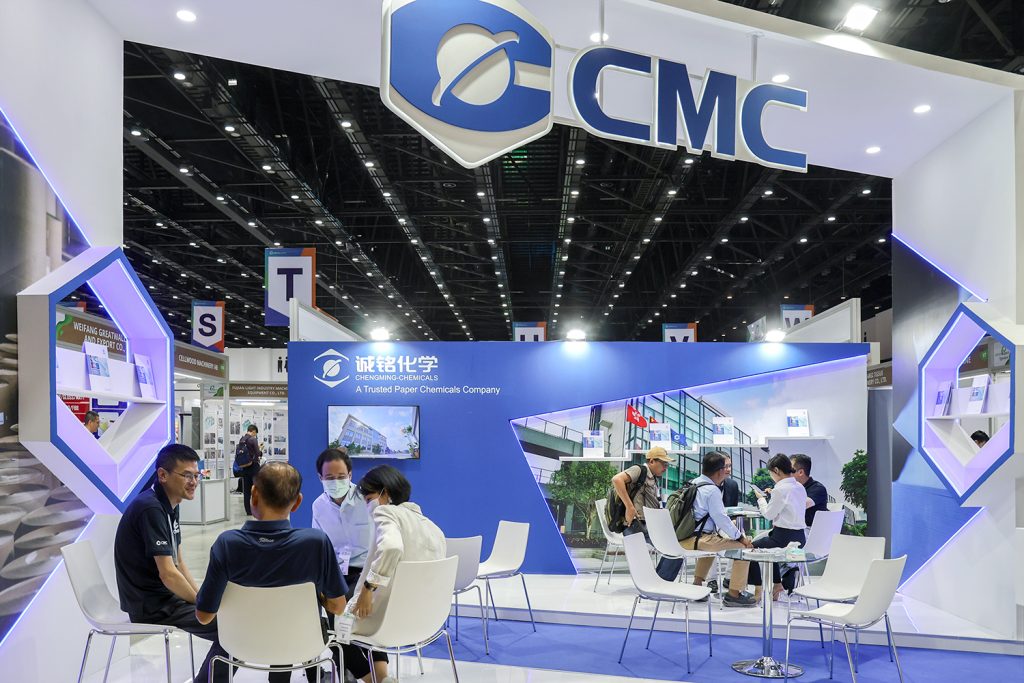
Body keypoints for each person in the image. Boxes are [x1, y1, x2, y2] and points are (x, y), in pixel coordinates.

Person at [195, 461, 347, 682]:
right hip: (299, 643)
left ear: (253, 494)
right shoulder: (316, 543)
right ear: (298, 502)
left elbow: (204, 616)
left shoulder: (227, 544)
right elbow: (338, 606)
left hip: (240, 645)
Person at [114, 444, 228, 683]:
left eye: (196, 475)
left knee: (230, 623)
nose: (193, 482)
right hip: (152, 605)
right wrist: (203, 605)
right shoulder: (150, 508)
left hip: (165, 599)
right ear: (163, 475)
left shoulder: (169, 505)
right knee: (232, 629)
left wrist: (202, 600)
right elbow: (168, 574)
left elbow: (179, 562)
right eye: (187, 475)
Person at [346, 465, 446, 683]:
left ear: (386, 493)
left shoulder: (386, 512)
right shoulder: (433, 528)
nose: (368, 506)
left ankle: (375, 681)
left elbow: (391, 547)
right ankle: (383, 679)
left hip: (387, 621)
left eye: (369, 498)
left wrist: (368, 589)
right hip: (427, 622)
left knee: (334, 629)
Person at [311, 447, 382, 681]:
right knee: (332, 621)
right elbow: (319, 544)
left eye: (341, 476)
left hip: (365, 571)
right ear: (320, 478)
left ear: (350, 475)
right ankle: (370, 676)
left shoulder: (367, 500)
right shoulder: (318, 506)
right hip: (334, 573)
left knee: (360, 617)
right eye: (329, 477)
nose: (336, 482)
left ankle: (376, 676)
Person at [663, 451, 756, 607]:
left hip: (681, 538)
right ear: (719, 471)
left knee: (713, 542)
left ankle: (697, 585)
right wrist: (741, 538)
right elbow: (721, 518)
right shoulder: (712, 490)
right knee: (743, 549)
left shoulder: (693, 483)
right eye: (726, 467)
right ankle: (734, 594)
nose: (728, 470)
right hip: (697, 540)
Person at [748, 454, 808, 602]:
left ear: (776, 470)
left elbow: (768, 515)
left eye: (770, 473)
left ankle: (758, 589)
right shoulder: (800, 487)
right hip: (800, 538)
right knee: (769, 548)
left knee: (750, 549)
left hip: (782, 539)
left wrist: (761, 499)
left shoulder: (779, 490)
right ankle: (777, 584)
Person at [610, 446, 672, 538]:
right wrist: (630, 507)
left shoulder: (654, 478)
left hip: (648, 524)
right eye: (664, 464)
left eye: (667, 465)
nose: (665, 468)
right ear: (652, 461)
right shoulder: (639, 470)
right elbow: (617, 479)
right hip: (636, 524)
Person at [791, 454, 828, 527]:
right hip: (796, 528)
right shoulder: (794, 488)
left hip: (811, 529)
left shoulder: (818, 488)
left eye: (789, 470)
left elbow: (798, 505)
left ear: (800, 472)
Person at [236, 425, 263, 516]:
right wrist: (260, 450)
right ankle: (257, 509)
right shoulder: (252, 439)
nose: (255, 435)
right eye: (255, 433)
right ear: (253, 431)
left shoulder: (242, 439)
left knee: (246, 491)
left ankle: (248, 511)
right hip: (254, 466)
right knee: (257, 488)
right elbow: (257, 453)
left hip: (245, 467)